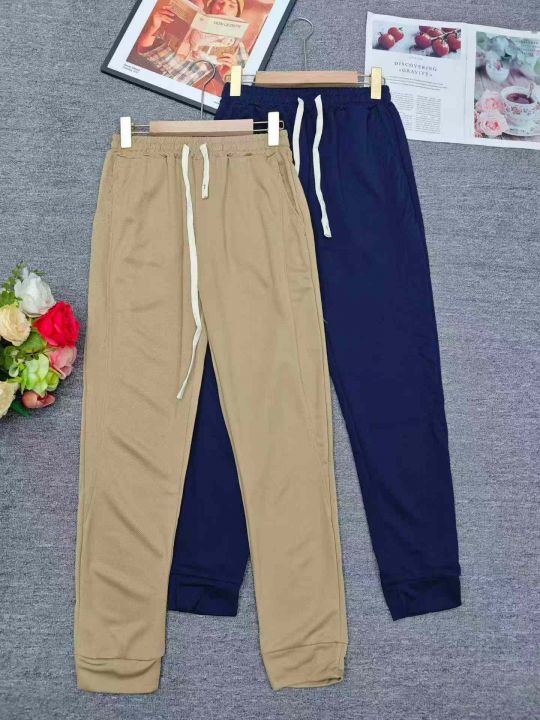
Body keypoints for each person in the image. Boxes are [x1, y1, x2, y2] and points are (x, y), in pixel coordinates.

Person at [136, 0, 248, 86]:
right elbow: (142, 49)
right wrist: (153, 27)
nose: (223, 9)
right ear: (212, 7)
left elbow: (239, 91)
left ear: (236, 15)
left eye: (231, 6)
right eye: (220, 2)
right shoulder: (185, 22)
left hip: (177, 86)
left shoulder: (236, 45)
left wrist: (230, 74)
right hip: (146, 72)